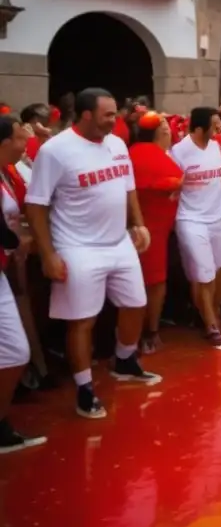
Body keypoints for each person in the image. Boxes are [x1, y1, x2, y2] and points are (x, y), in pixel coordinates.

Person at [24, 88, 158, 420]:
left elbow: (128, 188)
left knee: (136, 304)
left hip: (119, 242)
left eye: (115, 113)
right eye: (108, 115)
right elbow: (36, 204)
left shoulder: (116, 145)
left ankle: (124, 360)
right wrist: (48, 253)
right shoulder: (55, 151)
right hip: (77, 247)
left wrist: (138, 225)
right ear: (86, 115)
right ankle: (84, 389)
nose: (115, 120)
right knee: (82, 321)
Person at [170, 107, 221, 347]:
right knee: (205, 274)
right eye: (215, 124)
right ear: (200, 128)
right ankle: (210, 325)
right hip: (191, 219)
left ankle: (213, 308)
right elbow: (171, 186)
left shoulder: (216, 146)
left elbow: (220, 179)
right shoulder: (179, 151)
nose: (218, 129)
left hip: (217, 216)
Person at [0, 116, 46, 453]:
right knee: (16, 349)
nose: (25, 143)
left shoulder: (7, 172)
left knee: (15, 350)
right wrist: (18, 242)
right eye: (20, 138)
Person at [129, 114, 182, 353]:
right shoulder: (146, 155)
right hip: (150, 229)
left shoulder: (137, 152)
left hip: (151, 227)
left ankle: (141, 333)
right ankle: (147, 333)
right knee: (152, 282)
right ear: (161, 132)